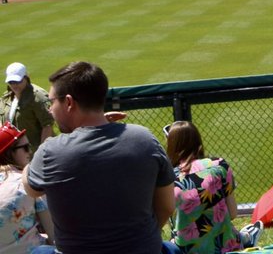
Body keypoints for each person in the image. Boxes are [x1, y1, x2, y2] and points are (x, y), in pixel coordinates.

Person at [23, 61, 175, 254]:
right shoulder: (145, 139)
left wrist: (31, 160)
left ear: (69, 102)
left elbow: (31, 188)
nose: (50, 109)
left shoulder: (50, 151)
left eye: (51, 102)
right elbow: (167, 206)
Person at [165, 121, 260, 253]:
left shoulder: (167, 178)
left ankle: (245, 238)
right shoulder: (219, 165)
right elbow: (232, 213)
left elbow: (171, 223)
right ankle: (245, 238)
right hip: (225, 247)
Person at [0, 122, 56, 254]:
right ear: (9, 152)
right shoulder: (27, 182)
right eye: (25, 147)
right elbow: (54, 235)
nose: (30, 151)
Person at [1, 65, 54, 155]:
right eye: (11, 82)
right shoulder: (7, 97)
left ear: (26, 77)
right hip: (14, 152)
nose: (14, 85)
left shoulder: (37, 96)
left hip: (33, 152)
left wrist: (41, 153)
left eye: (17, 81)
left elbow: (47, 126)